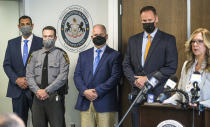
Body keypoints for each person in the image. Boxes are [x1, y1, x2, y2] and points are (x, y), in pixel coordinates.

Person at [122, 6, 178, 127]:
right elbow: (126, 64)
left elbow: (171, 67)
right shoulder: (133, 40)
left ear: (156, 19)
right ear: (141, 21)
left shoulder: (168, 39)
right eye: (144, 21)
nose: (147, 23)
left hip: (159, 95)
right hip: (137, 95)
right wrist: (135, 80)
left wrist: (147, 78)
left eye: (150, 20)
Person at [74, 24, 122, 127]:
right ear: (91, 37)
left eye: (101, 34)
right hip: (85, 102)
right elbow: (77, 76)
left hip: (105, 102)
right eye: (95, 35)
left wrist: (97, 92)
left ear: (106, 36)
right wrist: (85, 91)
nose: (98, 37)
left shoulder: (115, 55)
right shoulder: (83, 55)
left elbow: (115, 77)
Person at [26, 26, 69, 127]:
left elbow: (63, 77)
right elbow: (29, 75)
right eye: (45, 36)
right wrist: (37, 91)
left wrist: (46, 91)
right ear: (42, 38)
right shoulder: (34, 55)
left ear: (55, 38)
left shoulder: (62, 55)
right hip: (37, 97)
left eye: (50, 36)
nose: (47, 38)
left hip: (54, 96)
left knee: (58, 124)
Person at [3, 16, 43, 126]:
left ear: (32, 25)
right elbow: (6, 65)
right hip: (17, 90)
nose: (25, 26)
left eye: (28, 24)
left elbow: (44, 66)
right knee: (19, 123)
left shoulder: (41, 42)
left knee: (39, 122)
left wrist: (30, 80)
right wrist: (16, 79)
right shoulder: (12, 43)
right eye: (23, 24)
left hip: (36, 90)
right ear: (19, 26)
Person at [164, 28, 210, 106]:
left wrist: (199, 104)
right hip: (186, 113)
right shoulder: (187, 65)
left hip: (205, 114)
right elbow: (180, 94)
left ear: (207, 44)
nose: (195, 44)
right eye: (193, 41)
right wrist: (167, 101)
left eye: (200, 41)